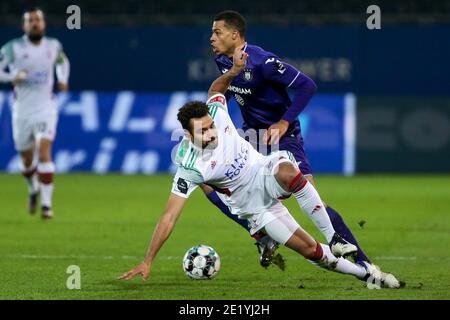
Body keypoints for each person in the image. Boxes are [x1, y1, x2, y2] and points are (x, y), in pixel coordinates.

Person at [118, 47, 400, 289]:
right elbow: (169, 217)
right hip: (254, 207)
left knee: (289, 172)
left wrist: (233, 72)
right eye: (203, 132)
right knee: (312, 252)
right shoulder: (190, 167)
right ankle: (365, 274)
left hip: (263, 171)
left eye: (211, 126)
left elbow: (216, 90)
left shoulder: (215, 110)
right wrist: (148, 260)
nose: (212, 132)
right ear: (189, 136)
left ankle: (334, 237)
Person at [207, 10, 372, 269]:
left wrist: (284, 121)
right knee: (213, 184)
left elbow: (308, 85)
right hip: (252, 141)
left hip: (284, 137)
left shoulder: (263, 61)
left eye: (217, 32)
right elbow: (227, 91)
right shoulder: (224, 62)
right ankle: (263, 236)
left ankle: (363, 263)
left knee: (311, 195)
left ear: (235, 35)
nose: (212, 38)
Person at [0, 7, 70, 219]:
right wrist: (13, 77)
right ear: (24, 26)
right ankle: (33, 188)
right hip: (21, 111)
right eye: (30, 20)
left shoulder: (53, 46)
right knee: (27, 160)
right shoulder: (13, 48)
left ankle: (47, 206)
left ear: (44, 23)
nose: (35, 23)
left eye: (38, 20)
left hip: (45, 109)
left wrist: (63, 79)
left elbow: (63, 62)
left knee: (44, 152)